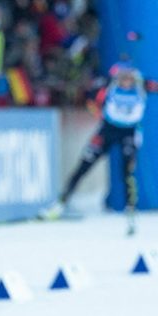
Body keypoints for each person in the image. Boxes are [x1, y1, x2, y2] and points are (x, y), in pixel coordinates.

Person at [39, 62, 149, 234]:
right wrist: (97, 111)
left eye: (129, 78)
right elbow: (90, 100)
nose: (126, 81)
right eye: (123, 77)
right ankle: (61, 202)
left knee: (127, 171)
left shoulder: (142, 87)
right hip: (108, 130)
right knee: (84, 164)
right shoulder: (108, 87)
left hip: (129, 133)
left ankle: (130, 212)